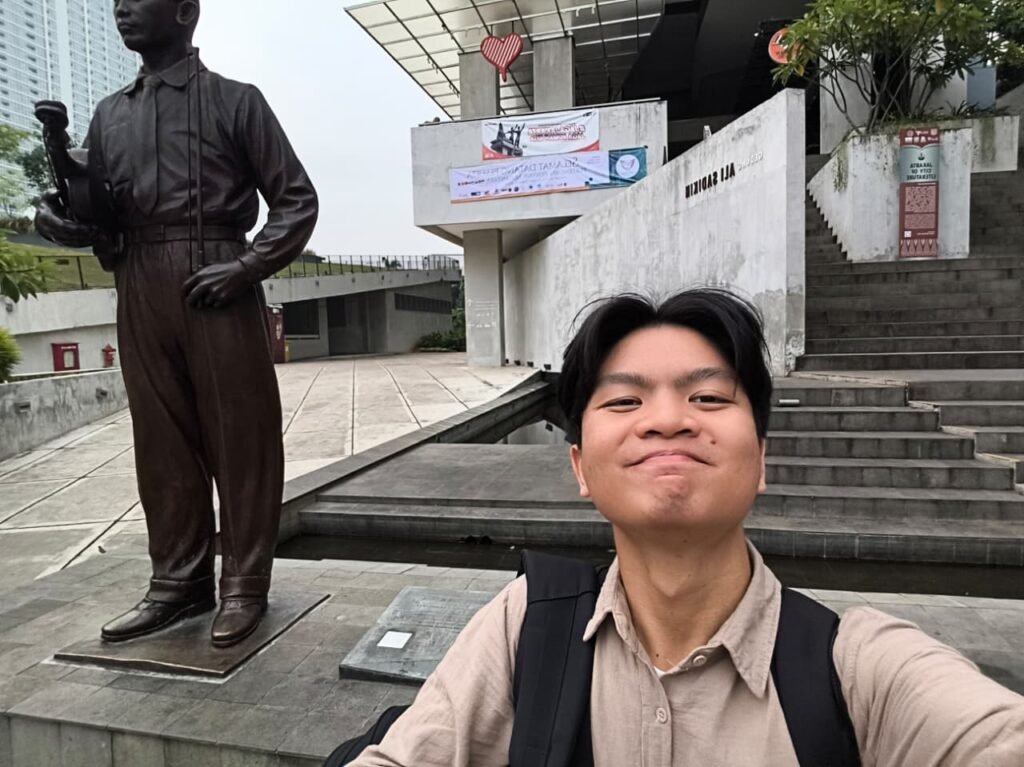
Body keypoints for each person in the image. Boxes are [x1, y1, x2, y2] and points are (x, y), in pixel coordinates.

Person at [344, 288, 1024, 765]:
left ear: (761, 458)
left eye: (707, 396)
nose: (668, 419)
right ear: (580, 466)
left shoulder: (860, 670)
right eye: (624, 400)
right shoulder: (526, 626)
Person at [34, 0, 318, 647]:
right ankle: (177, 582)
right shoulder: (110, 114)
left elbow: (296, 200)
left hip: (217, 276)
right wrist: (61, 219)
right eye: (117, 0)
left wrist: (246, 266)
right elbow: (100, 211)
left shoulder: (236, 101)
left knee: (240, 436)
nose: (122, 8)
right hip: (138, 280)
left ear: (186, 11)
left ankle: (244, 582)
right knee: (160, 439)